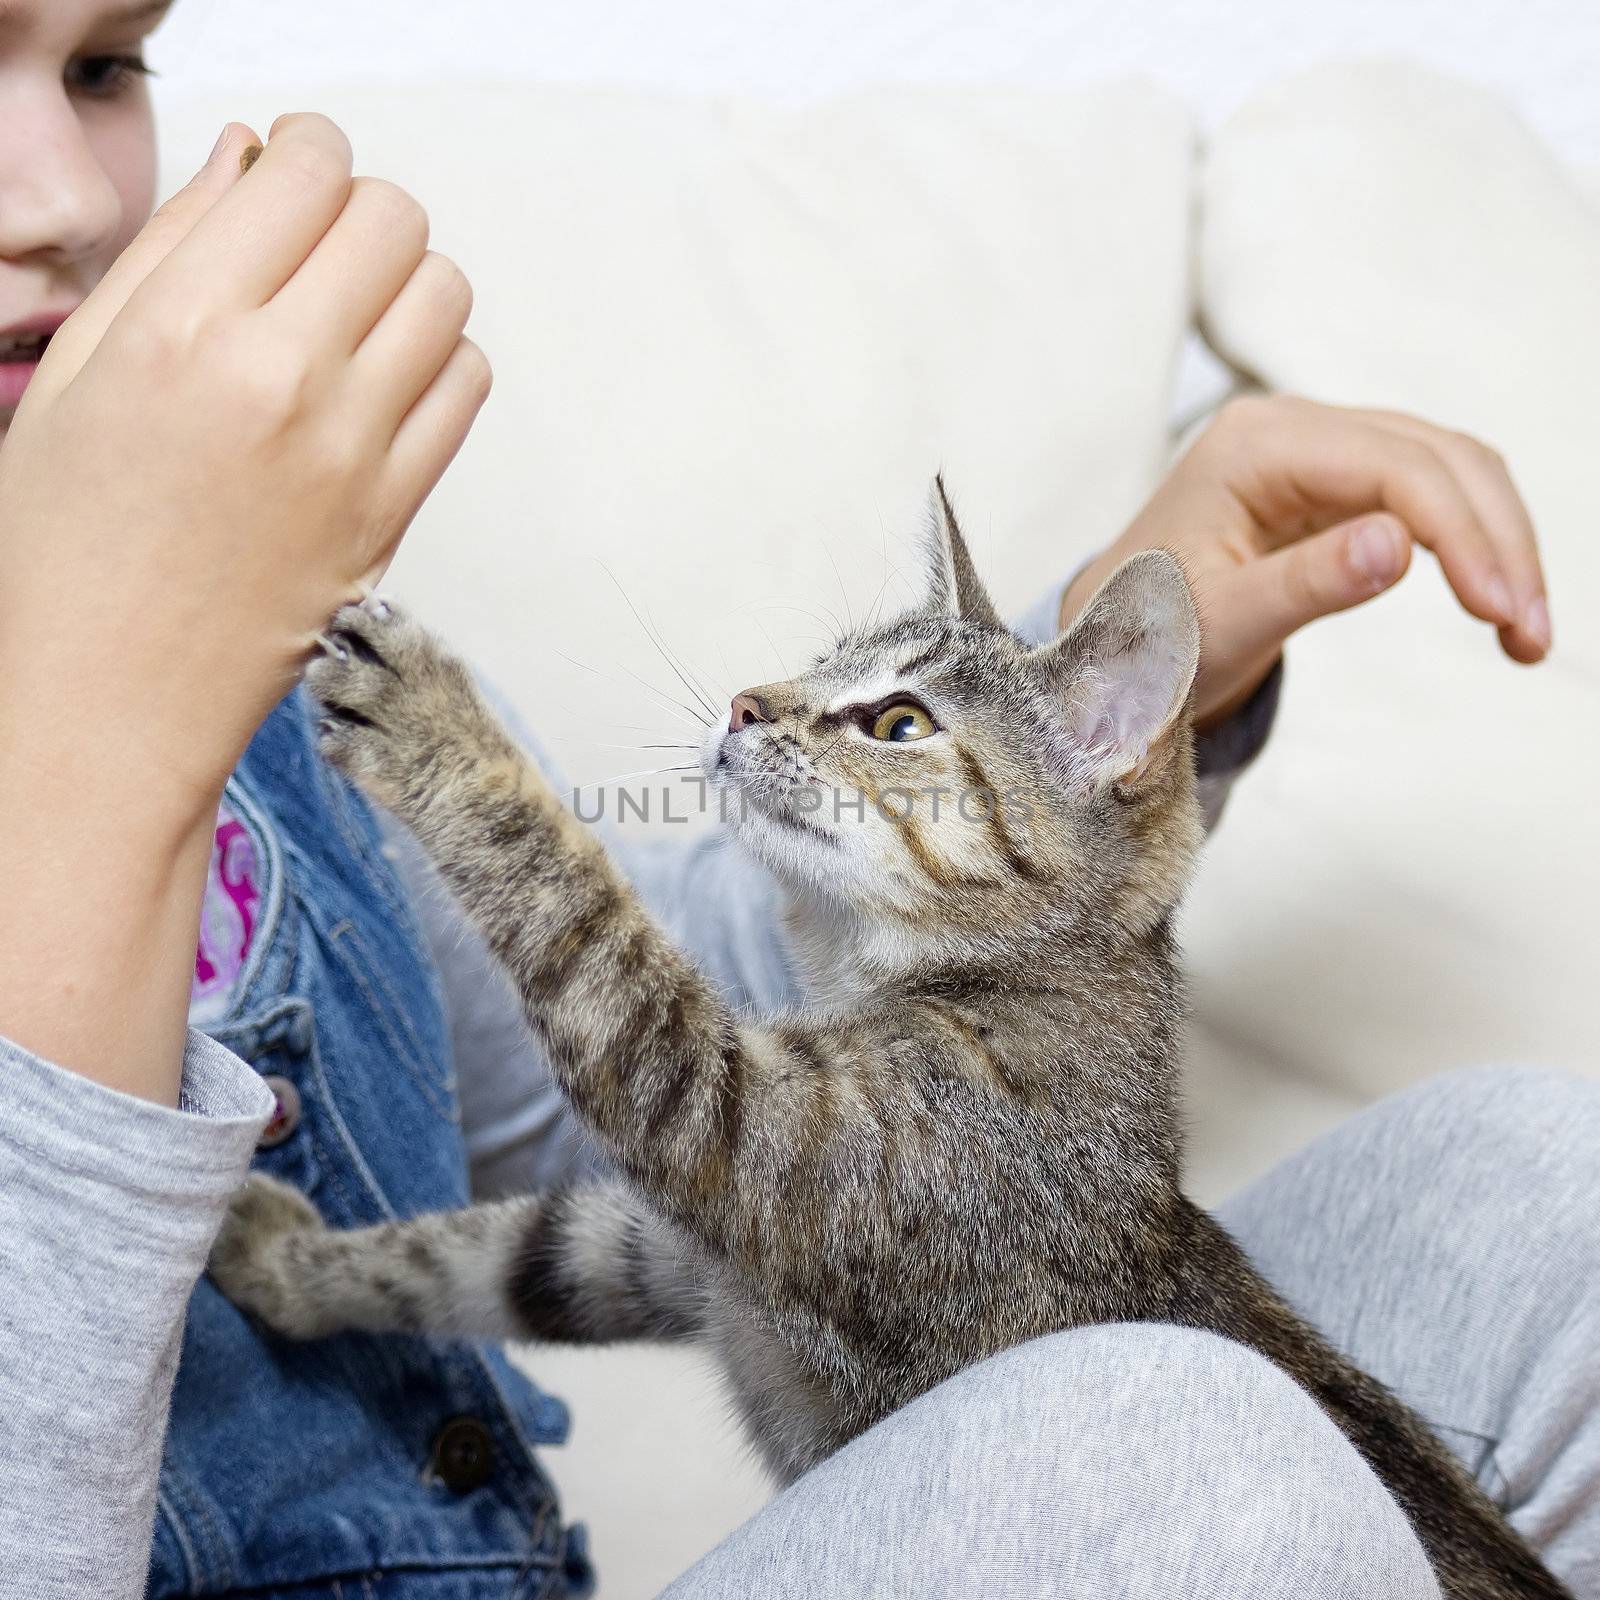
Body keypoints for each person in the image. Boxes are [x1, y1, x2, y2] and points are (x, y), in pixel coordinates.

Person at [1, 2, 1593, 1597]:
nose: (66, 196)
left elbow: (628, 1106)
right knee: (1178, 1442)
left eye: (104, 65)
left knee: (1547, 1202)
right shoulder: (204, 613)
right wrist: (101, 734)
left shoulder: (272, 642)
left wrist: (1073, 741)